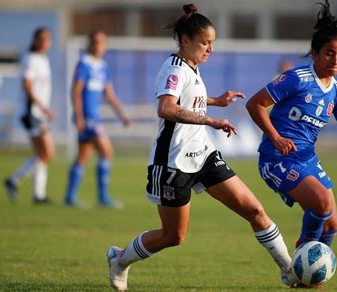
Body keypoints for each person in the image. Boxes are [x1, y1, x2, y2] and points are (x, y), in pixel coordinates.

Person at [105, 4, 297, 290]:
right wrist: (210, 120)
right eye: (204, 42)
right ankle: (120, 259)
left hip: (204, 157)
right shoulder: (173, 69)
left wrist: (215, 100)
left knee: (254, 210)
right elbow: (167, 108)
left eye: (212, 43)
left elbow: (188, 98)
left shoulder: (192, 68)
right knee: (174, 236)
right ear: (186, 40)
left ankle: (289, 271)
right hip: (173, 164)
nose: (210, 49)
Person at [246, 0, 337, 260]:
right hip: (276, 158)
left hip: (307, 159)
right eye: (329, 53)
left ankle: (310, 275)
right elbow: (255, 104)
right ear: (314, 53)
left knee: (332, 225)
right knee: (322, 204)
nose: (335, 60)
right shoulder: (296, 79)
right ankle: (303, 254)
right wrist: (276, 137)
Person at [64, 30, 131, 208]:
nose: (98, 46)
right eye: (95, 42)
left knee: (82, 156)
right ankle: (102, 197)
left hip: (94, 118)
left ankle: (70, 197)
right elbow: (76, 91)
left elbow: (109, 94)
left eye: (101, 42)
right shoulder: (84, 64)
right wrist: (79, 117)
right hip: (88, 118)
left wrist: (122, 115)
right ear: (89, 44)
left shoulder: (102, 66)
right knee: (107, 152)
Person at [4, 27, 54, 204]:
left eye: (48, 39)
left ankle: (38, 195)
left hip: (40, 113)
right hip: (32, 112)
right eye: (41, 38)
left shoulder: (44, 59)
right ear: (34, 40)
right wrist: (42, 107)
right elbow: (27, 85)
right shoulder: (30, 58)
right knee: (46, 152)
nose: (45, 42)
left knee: (41, 154)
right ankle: (15, 180)